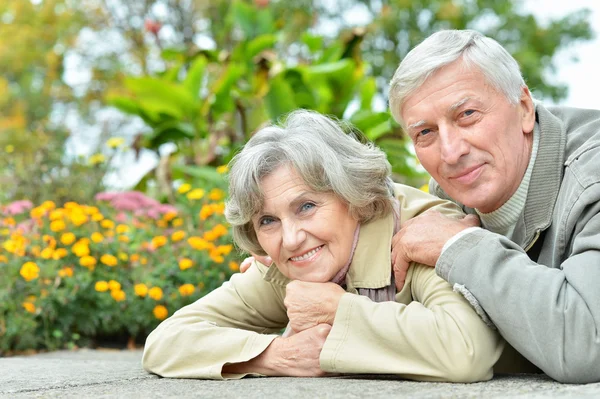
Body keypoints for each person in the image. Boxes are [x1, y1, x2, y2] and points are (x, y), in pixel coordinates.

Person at [142, 110, 505, 381]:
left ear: (354, 198)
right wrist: (275, 355)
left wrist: (338, 310)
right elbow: (165, 343)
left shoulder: (418, 231)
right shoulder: (286, 261)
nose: (290, 238)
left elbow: (467, 350)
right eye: (267, 221)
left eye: (307, 207)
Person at [387, 29, 600, 384]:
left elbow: (587, 343)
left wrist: (457, 246)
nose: (451, 153)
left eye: (467, 114)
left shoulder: (592, 178)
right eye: (425, 133)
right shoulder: (455, 189)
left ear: (524, 108)